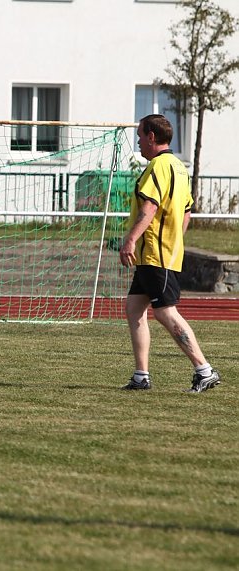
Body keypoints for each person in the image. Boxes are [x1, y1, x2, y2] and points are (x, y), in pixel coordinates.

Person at [120, 114, 221, 393]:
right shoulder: (179, 166)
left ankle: (204, 369)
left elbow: (149, 208)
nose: (138, 141)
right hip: (157, 254)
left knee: (165, 312)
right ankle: (141, 376)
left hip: (155, 253)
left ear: (152, 136)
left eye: (140, 135)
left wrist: (130, 240)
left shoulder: (157, 167)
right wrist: (175, 239)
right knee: (134, 309)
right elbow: (187, 211)